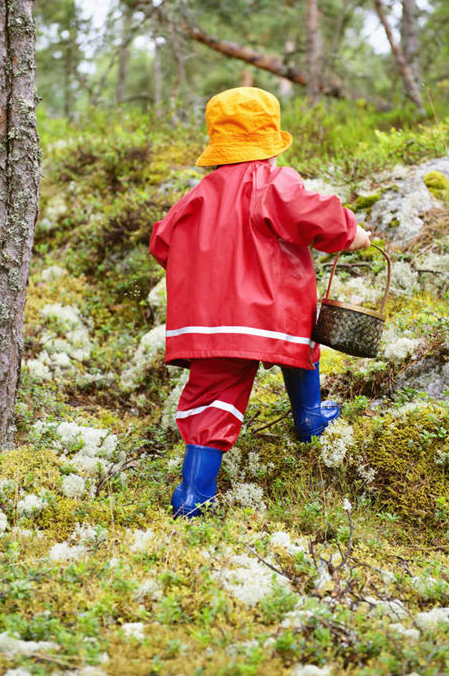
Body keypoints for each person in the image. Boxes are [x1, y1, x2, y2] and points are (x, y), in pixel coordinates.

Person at [149, 86, 370, 518]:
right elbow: (314, 214)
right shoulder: (273, 181)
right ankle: (309, 418)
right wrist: (352, 233)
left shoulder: (196, 195)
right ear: (269, 141)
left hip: (209, 323)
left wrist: (205, 271)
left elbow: (162, 243)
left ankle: (193, 496)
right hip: (272, 312)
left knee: (212, 395)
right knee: (301, 343)